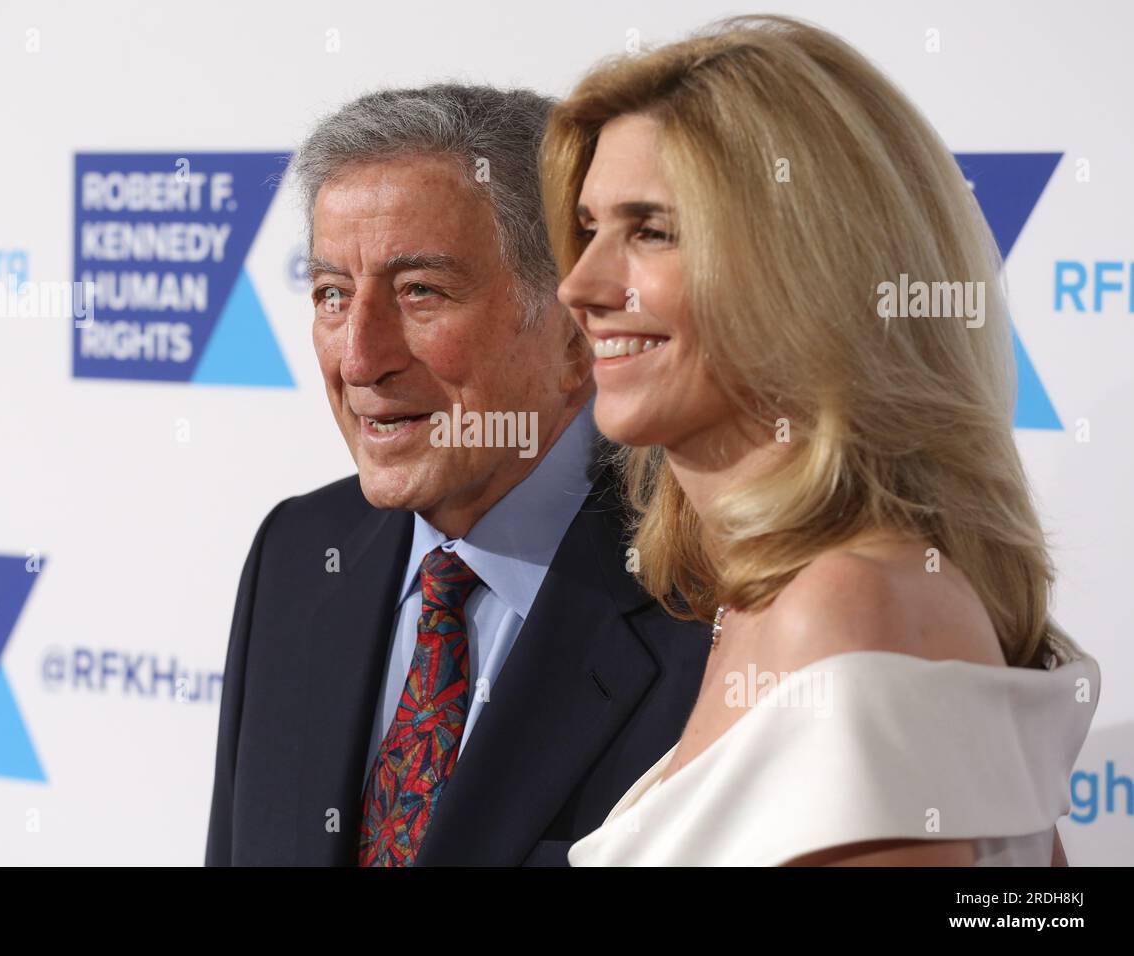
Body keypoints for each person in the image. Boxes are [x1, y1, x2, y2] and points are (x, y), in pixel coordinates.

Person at [539, 15, 1101, 866]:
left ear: (804, 265)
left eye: (650, 230)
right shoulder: (785, 599)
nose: (580, 284)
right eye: (587, 228)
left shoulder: (847, 607)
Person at [204, 84, 710, 866]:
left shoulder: (713, 603)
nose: (361, 358)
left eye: (420, 293)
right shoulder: (297, 554)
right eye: (332, 294)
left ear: (576, 332)